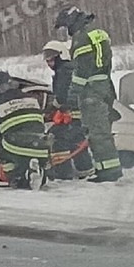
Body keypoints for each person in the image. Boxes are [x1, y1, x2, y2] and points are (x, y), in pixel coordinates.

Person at [54, 6, 122, 182]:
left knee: (97, 132)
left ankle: (109, 172)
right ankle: (104, 169)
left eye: (65, 27)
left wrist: (71, 97)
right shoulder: (97, 32)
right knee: (99, 131)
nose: (66, 32)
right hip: (105, 85)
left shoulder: (81, 38)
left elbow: (82, 70)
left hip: (92, 90)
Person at [0, 71, 49, 190]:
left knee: (1, 147)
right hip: (42, 145)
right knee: (31, 152)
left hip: (17, 145)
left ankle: (17, 179)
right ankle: (39, 171)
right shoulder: (30, 98)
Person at [41, 40, 94, 180]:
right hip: (81, 117)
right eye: (46, 57)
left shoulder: (64, 70)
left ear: (61, 55)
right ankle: (85, 171)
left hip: (75, 116)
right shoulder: (70, 69)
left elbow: (62, 94)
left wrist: (52, 108)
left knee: (57, 139)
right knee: (76, 142)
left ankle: (62, 173)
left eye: (51, 56)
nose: (48, 61)